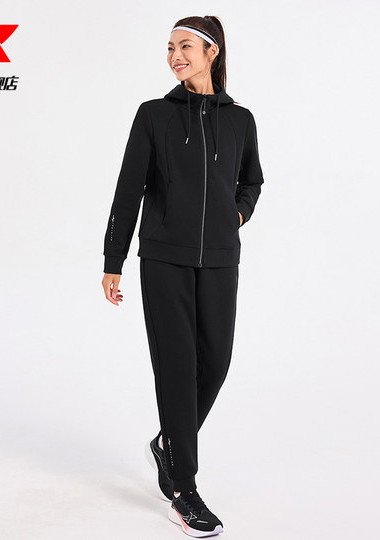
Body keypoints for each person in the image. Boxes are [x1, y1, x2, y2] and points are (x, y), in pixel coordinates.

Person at [101, 15, 264, 538]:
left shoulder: (240, 120)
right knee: (176, 367)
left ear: (212, 52)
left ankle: (168, 442)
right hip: (164, 258)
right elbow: (129, 188)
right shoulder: (154, 115)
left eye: (185, 46)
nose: (175, 56)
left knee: (215, 361)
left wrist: (236, 215)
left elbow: (252, 181)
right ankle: (184, 489)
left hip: (220, 258)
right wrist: (113, 258)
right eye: (170, 47)